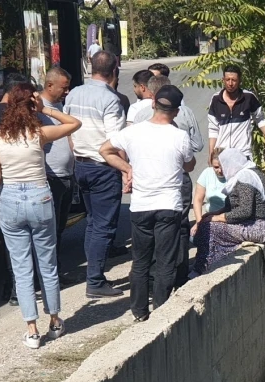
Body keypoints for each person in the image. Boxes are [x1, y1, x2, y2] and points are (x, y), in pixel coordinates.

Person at [0, 83, 81, 348]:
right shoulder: (39, 133)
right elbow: (74, 123)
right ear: (32, 107)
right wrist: (46, 108)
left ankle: (31, 329)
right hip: (40, 197)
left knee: (22, 266)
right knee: (47, 264)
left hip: (11, 200)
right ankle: (55, 321)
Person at [99, 85, 196, 322]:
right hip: (168, 206)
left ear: (153, 104)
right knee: (165, 260)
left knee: (140, 261)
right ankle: (161, 309)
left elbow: (105, 150)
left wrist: (127, 168)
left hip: (140, 206)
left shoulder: (133, 132)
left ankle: (139, 311)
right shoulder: (180, 136)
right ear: (176, 111)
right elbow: (190, 165)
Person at [64, 50, 127, 298]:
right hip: (103, 167)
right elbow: (115, 142)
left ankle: (93, 273)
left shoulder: (75, 92)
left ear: (91, 67)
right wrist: (126, 170)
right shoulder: (110, 99)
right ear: (114, 71)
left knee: (92, 222)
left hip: (81, 165)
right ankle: (95, 281)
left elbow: (67, 129)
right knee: (103, 225)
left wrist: (76, 155)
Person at [133, 75, 204, 287]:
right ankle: (179, 275)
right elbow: (197, 145)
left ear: (153, 96)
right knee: (179, 226)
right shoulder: (186, 112)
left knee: (149, 228)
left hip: (146, 178)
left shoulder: (141, 115)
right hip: (177, 177)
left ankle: (154, 277)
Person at [0, 71, 30, 304]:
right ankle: (16, 291)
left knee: (9, 239)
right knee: (22, 241)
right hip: (16, 182)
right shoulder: (16, 116)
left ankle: (9, 288)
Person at [190, 148, 265, 277]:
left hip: (255, 227)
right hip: (248, 224)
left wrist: (217, 218)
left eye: (223, 166)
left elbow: (244, 211)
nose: (221, 170)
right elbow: (230, 206)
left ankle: (201, 269)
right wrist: (212, 214)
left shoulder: (246, 177)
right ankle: (208, 265)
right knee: (206, 225)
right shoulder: (244, 174)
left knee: (208, 228)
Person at [40, 67, 75, 278]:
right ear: (50, 85)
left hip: (67, 175)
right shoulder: (38, 109)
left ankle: (56, 271)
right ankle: (49, 276)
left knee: (59, 229)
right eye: (63, 87)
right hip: (50, 177)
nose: (66, 91)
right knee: (49, 232)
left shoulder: (59, 105)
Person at [207, 65, 265, 164]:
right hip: (222, 155)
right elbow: (213, 128)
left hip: (243, 154)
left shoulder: (249, 97)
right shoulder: (216, 99)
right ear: (223, 80)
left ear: (240, 81)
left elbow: (260, 118)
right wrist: (211, 153)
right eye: (227, 80)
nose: (230, 83)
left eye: (234, 80)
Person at [192, 147, 228, 222]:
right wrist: (199, 222)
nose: (220, 170)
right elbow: (198, 199)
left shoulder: (234, 175)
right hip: (210, 217)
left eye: (223, 166)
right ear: (212, 164)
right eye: (216, 167)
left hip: (228, 218)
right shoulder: (207, 173)